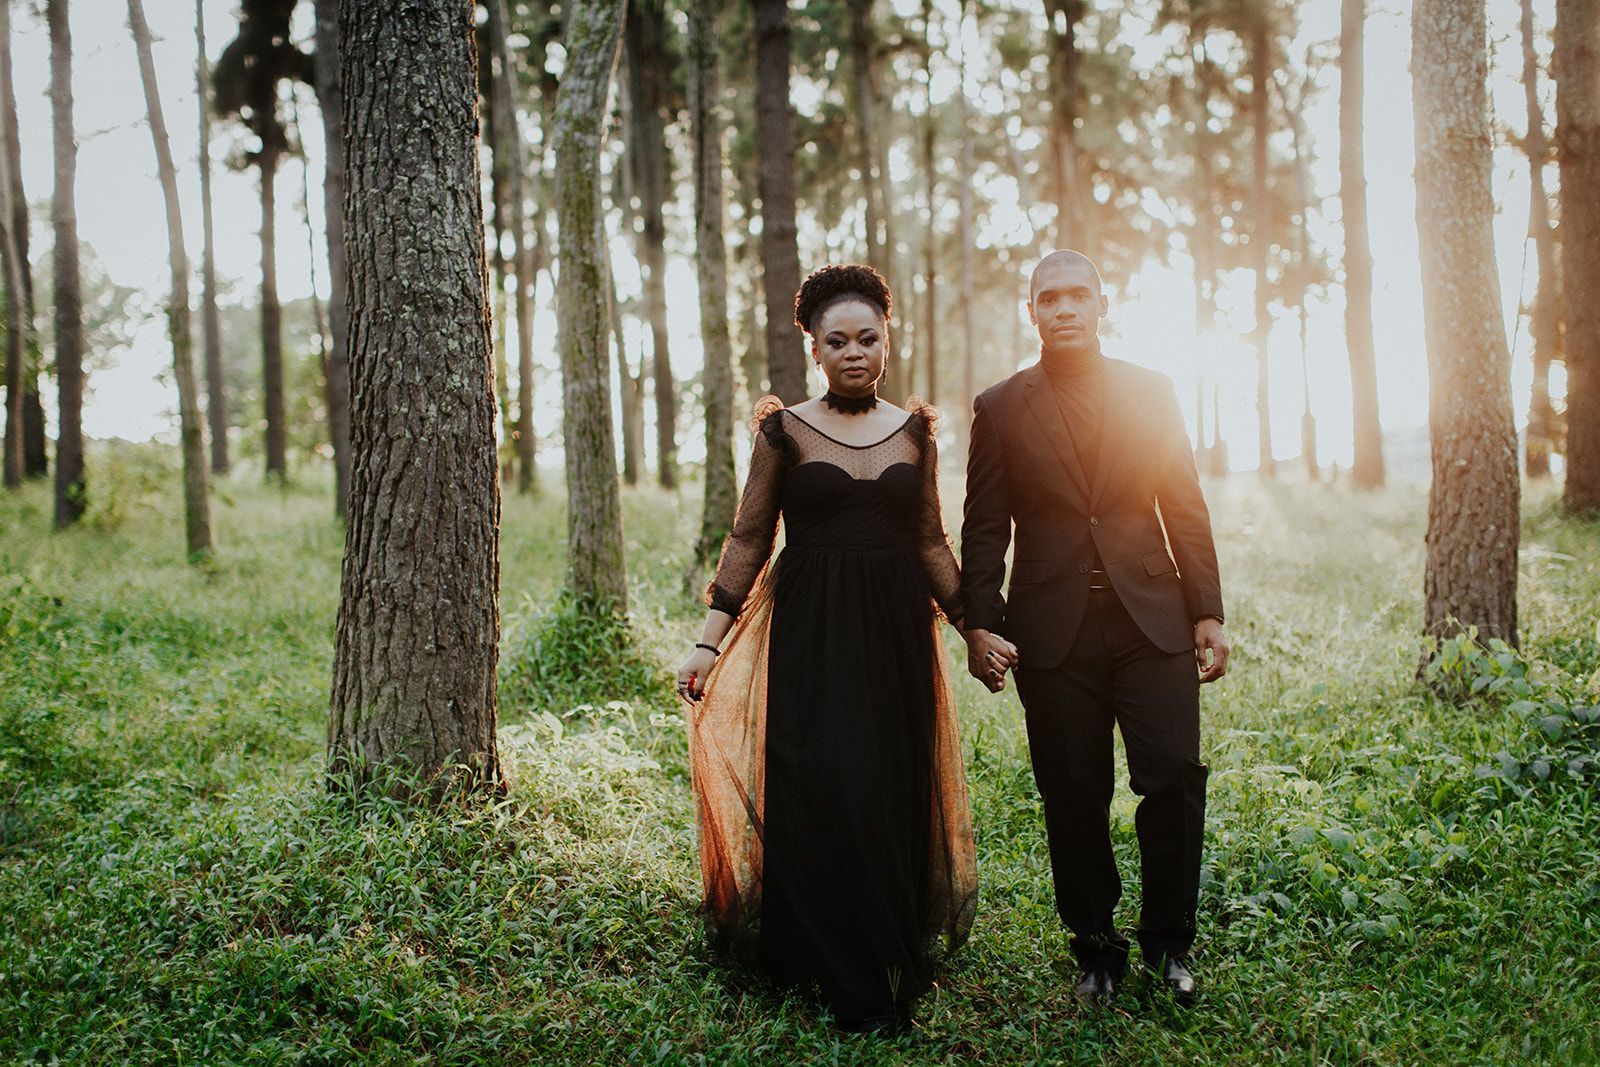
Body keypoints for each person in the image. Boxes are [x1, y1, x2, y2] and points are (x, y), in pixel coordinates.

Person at [677, 264, 996, 1033]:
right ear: (813, 348)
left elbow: (928, 539)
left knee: (884, 781)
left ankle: (879, 954)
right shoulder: (783, 430)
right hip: (811, 633)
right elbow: (750, 537)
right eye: (837, 340)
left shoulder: (916, 431)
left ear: (886, 341)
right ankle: (811, 955)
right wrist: (706, 643)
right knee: (819, 777)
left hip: (893, 635)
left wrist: (973, 627)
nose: (855, 352)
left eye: (868, 338)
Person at [959, 250, 1230, 1006]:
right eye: (1051, 298)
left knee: (1173, 778)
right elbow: (983, 528)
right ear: (1033, 312)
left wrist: (1206, 608)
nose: (1066, 309)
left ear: (1103, 304)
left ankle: (1170, 944)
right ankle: (1096, 948)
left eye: (1080, 295)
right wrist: (981, 623)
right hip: (1052, 634)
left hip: (1154, 623)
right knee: (1073, 793)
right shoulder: (1002, 405)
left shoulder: (1153, 391)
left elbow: (1185, 504)